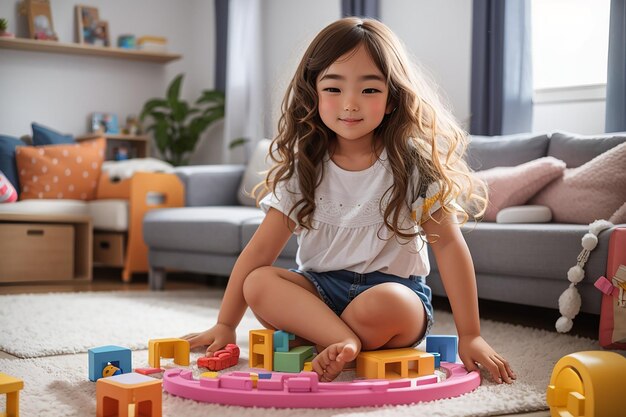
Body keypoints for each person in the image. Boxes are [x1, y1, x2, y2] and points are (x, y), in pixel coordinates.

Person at [183, 17, 516, 384]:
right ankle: (342, 340)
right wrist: (225, 324)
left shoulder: (413, 164)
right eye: (333, 88)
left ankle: (330, 339)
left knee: (391, 302)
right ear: (314, 94)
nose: (350, 103)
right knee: (259, 282)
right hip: (319, 293)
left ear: (392, 99)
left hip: (391, 296)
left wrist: (471, 334)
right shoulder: (305, 168)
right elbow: (258, 254)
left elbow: (450, 246)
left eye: (370, 90)